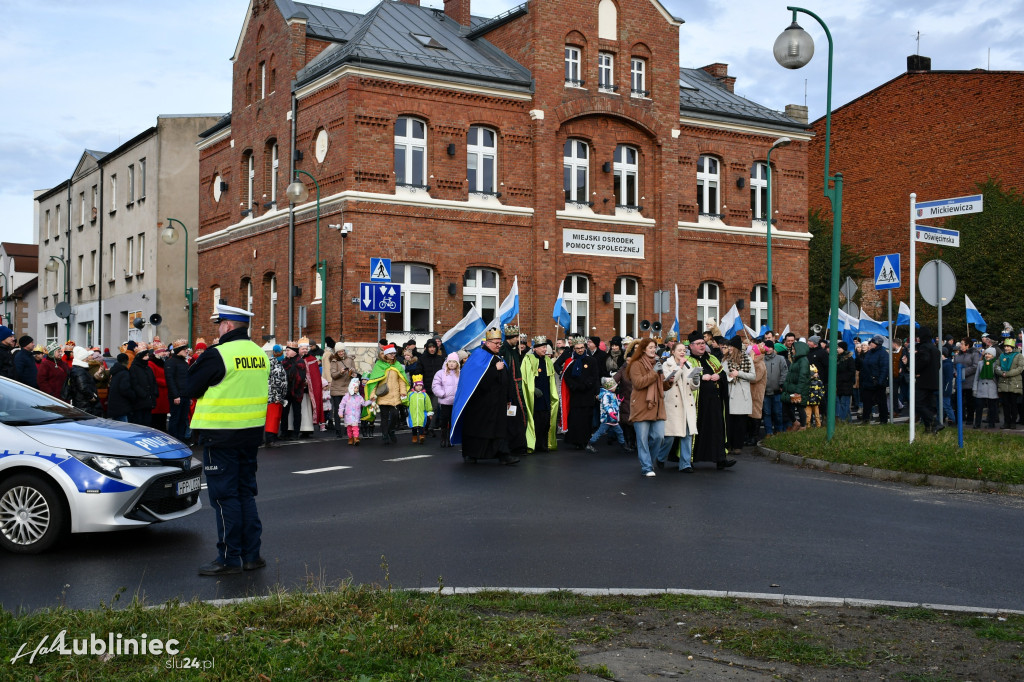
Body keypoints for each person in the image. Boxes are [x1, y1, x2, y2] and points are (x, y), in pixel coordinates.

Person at [188, 303, 270, 576]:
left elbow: (190, 387)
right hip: (250, 434)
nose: (218, 329)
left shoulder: (218, 355)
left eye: (219, 324)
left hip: (220, 435)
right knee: (246, 494)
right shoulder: (260, 354)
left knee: (225, 499)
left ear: (228, 326)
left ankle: (229, 558)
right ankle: (251, 555)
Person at [450, 328, 519, 464]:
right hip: (480, 404)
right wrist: (495, 370)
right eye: (496, 343)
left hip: (497, 403)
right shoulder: (478, 356)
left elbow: (507, 379)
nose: (499, 346)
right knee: (477, 429)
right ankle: (471, 454)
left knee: (499, 429)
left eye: (500, 343)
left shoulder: (499, 358)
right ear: (487, 343)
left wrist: (508, 398)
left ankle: (503, 455)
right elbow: (474, 380)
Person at [685, 332, 733, 468]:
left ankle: (720, 458)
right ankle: (690, 460)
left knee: (717, 430)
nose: (702, 346)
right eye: (698, 344)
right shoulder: (689, 361)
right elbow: (686, 379)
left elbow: (723, 374)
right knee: (697, 430)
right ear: (691, 346)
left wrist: (718, 377)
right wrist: (701, 378)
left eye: (703, 343)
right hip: (698, 403)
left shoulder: (712, 358)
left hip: (715, 402)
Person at [626, 337, 671, 476]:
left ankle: (649, 462)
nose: (653, 350)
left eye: (655, 347)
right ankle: (647, 467)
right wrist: (654, 372)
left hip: (656, 405)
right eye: (650, 347)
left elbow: (662, 385)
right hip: (641, 405)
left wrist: (670, 381)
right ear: (644, 349)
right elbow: (639, 383)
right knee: (643, 439)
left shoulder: (657, 362)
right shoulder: (636, 364)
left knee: (659, 437)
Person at [661, 341, 700, 473]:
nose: (683, 352)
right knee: (670, 437)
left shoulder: (688, 366)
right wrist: (679, 366)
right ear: (673, 352)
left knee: (687, 435)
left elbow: (693, 387)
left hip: (687, 404)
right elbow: (670, 381)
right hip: (673, 405)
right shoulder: (666, 365)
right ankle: (661, 457)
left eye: (684, 350)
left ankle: (685, 464)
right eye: (680, 350)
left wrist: (695, 379)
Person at [555, 336, 601, 449]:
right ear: (574, 349)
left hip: (587, 393)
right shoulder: (571, 361)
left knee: (586, 419)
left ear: (585, 347)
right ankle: (576, 441)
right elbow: (566, 376)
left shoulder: (592, 360)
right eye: (577, 348)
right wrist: (574, 386)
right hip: (575, 394)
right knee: (576, 419)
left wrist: (589, 387)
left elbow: (594, 376)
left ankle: (585, 441)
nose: (580, 350)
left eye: (582, 347)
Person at [520, 336, 559, 454]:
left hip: (546, 396)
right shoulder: (528, 359)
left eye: (545, 347)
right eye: (542, 347)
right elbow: (525, 377)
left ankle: (543, 444)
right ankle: (534, 444)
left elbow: (551, 378)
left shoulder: (547, 360)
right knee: (536, 421)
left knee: (546, 422)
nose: (545, 349)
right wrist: (533, 389)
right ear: (535, 348)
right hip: (535, 398)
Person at [365, 343, 409, 445]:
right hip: (383, 395)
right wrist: (372, 395)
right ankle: (385, 435)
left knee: (394, 415)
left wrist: (403, 392)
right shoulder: (379, 365)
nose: (393, 355)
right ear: (386, 354)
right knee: (384, 417)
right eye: (391, 354)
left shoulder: (397, 365)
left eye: (394, 353)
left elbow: (402, 380)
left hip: (395, 396)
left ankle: (391, 430)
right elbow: (374, 381)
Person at [499, 325, 529, 455]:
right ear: (511, 337)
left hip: (517, 387)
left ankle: (518, 445)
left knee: (517, 417)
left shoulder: (513, 350)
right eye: (517, 337)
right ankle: (513, 446)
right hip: (509, 388)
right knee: (511, 418)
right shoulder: (504, 350)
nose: (518, 340)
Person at [722, 337, 754, 454]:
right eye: (728, 346)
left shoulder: (748, 360)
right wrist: (730, 377)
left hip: (742, 394)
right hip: (730, 393)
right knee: (730, 422)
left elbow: (752, 376)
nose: (729, 348)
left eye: (731, 346)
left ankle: (738, 446)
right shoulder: (725, 361)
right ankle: (729, 444)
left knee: (740, 422)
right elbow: (722, 376)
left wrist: (738, 373)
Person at [586, 377, 628, 453]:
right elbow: (606, 405)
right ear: (610, 387)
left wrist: (618, 401)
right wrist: (611, 412)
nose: (616, 388)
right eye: (615, 386)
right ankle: (590, 443)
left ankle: (623, 445)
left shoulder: (612, 394)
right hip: (607, 419)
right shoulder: (606, 395)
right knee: (600, 432)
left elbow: (613, 405)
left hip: (613, 419)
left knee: (619, 432)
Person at [914, 326, 943, 434]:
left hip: (923, 380)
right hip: (933, 381)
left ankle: (935, 423)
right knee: (928, 405)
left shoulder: (924, 347)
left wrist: (916, 370)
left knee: (918, 404)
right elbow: (938, 365)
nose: (917, 338)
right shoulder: (935, 349)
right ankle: (929, 428)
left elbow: (924, 360)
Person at [327, 343, 357, 438]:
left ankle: (346, 429)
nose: (341, 353)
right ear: (336, 352)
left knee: (348, 410)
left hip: (348, 388)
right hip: (336, 389)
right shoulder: (334, 361)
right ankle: (338, 430)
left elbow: (355, 372)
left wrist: (352, 373)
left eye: (342, 351)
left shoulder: (350, 360)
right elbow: (333, 375)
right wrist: (340, 372)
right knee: (338, 410)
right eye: (339, 351)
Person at [781, 339, 811, 433]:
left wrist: (798, 390)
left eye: (794, 349)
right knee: (786, 405)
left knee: (800, 407)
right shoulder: (796, 360)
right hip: (792, 388)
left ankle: (803, 426)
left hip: (798, 389)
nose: (792, 350)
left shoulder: (803, 361)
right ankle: (796, 422)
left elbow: (803, 377)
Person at [432, 352, 460, 448]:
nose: (452, 364)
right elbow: (436, 385)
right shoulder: (440, 373)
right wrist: (441, 394)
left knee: (453, 422)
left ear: (457, 363)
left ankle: (451, 439)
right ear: (447, 362)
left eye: (454, 362)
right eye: (450, 361)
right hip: (445, 401)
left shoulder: (460, 374)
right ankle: (443, 438)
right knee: (444, 421)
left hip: (456, 402)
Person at [859, 335, 890, 425]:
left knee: (881, 402)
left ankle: (883, 420)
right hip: (868, 382)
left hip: (877, 383)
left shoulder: (883, 354)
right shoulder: (869, 353)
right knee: (867, 402)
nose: (870, 344)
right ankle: (865, 419)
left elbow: (884, 369)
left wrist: (880, 382)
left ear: (877, 344)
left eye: (872, 342)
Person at [64, 346, 102, 415]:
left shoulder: (80, 369)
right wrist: (91, 396)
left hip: (84, 404)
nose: (88, 359)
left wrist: (96, 377)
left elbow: (86, 383)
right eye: (86, 357)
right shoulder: (79, 371)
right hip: (84, 405)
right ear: (82, 358)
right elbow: (83, 387)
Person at [994, 337, 1023, 429]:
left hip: (1014, 383)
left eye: (1008, 346)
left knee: (1013, 404)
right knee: (1005, 404)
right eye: (1005, 346)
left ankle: (1013, 422)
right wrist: (1001, 373)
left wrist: (1008, 374)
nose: (1006, 348)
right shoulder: (1002, 356)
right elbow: (997, 367)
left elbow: (1020, 368)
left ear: (1012, 347)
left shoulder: (1018, 356)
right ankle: (1006, 422)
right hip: (1003, 383)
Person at [762, 341, 788, 436]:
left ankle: (779, 431)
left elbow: (784, 372)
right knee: (767, 413)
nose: (768, 349)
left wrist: (781, 384)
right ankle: (768, 432)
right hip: (765, 392)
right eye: (766, 347)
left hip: (777, 391)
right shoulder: (761, 359)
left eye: (770, 347)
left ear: (773, 348)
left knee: (778, 413)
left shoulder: (780, 359)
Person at [419, 338, 445, 437]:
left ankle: (431, 427)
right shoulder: (422, 359)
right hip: (424, 388)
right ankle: (424, 427)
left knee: (434, 408)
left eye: (434, 347)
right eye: (430, 347)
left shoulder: (440, 359)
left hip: (436, 389)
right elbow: (418, 372)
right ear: (427, 348)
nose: (432, 349)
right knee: (425, 409)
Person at [264, 344, 288, 447]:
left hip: (276, 396)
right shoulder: (275, 364)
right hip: (274, 397)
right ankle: (270, 439)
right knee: (272, 418)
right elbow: (275, 382)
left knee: (276, 418)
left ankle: (273, 436)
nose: (281, 355)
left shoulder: (276, 363)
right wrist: (278, 397)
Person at [128, 346, 158, 426]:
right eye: (145, 355)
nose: (147, 357)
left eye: (148, 355)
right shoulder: (134, 368)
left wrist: (154, 393)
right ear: (140, 357)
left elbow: (153, 381)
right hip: (139, 401)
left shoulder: (148, 368)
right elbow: (134, 384)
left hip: (149, 400)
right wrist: (143, 394)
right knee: (139, 422)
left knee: (147, 422)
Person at [954, 338, 981, 424]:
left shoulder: (974, 353)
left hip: (969, 381)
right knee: (958, 401)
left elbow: (975, 366)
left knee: (970, 402)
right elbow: (954, 364)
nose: (960, 345)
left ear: (967, 345)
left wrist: (962, 372)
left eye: (962, 344)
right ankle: (960, 417)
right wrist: (955, 372)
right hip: (959, 382)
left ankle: (970, 418)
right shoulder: (958, 354)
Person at [973, 347, 1000, 428]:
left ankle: (991, 424)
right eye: (986, 354)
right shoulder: (980, 363)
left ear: (993, 355)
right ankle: (977, 424)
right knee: (979, 407)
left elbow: (998, 376)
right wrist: (974, 388)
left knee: (992, 408)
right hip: (981, 388)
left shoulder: (996, 364)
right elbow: (976, 377)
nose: (987, 355)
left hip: (992, 388)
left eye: (989, 354)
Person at [338, 377, 369, 445]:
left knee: (355, 428)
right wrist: (340, 412)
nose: (356, 389)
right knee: (349, 428)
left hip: (356, 416)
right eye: (355, 388)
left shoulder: (359, 397)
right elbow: (342, 405)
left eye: (357, 388)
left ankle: (356, 438)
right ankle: (350, 438)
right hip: (348, 416)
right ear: (351, 388)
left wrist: (370, 401)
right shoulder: (346, 397)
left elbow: (364, 403)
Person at [106, 353, 136, 421]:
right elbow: (125, 389)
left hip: (114, 405)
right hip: (122, 406)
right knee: (123, 427)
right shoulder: (124, 373)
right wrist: (133, 395)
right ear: (127, 361)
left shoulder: (115, 372)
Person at [406, 375, 432, 443]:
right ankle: (414, 437)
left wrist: (429, 412)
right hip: (413, 414)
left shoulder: (424, 395)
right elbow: (406, 403)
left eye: (420, 385)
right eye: (417, 385)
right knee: (414, 427)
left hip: (422, 414)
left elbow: (428, 404)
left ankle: (421, 437)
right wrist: (403, 399)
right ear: (414, 386)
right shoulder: (410, 394)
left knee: (421, 426)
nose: (419, 387)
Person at [835, 340, 856, 423]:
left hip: (846, 385)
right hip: (839, 385)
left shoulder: (849, 359)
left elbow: (851, 371)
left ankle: (844, 419)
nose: (837, 349)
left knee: (845, 403)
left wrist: (842, 378)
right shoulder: (837, 359)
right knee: (840, 403)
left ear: (843, 348)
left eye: (839, 348)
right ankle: (846, 419)